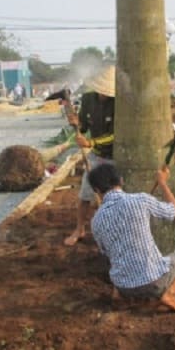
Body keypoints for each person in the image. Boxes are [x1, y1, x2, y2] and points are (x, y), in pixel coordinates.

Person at [89, 163, 175, 313]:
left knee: (117, 259)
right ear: (121, 180)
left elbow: (106, 253)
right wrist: (163, 183)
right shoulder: (140, 200)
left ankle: (119, 296)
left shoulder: (96, 220)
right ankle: (169, 294)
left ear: (96, 190)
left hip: (123, 287)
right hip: (154, 282)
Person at [64, 65, 116, 246]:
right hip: (95, 156)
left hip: (115, 156)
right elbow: (84, 127)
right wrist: (75, 122)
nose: (105, 95)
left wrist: (91, 143)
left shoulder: (118, 104)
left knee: (114, 195)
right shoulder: (87, 100)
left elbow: (116, 135)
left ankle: (114, 230)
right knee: (86, 193)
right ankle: (79, 228)